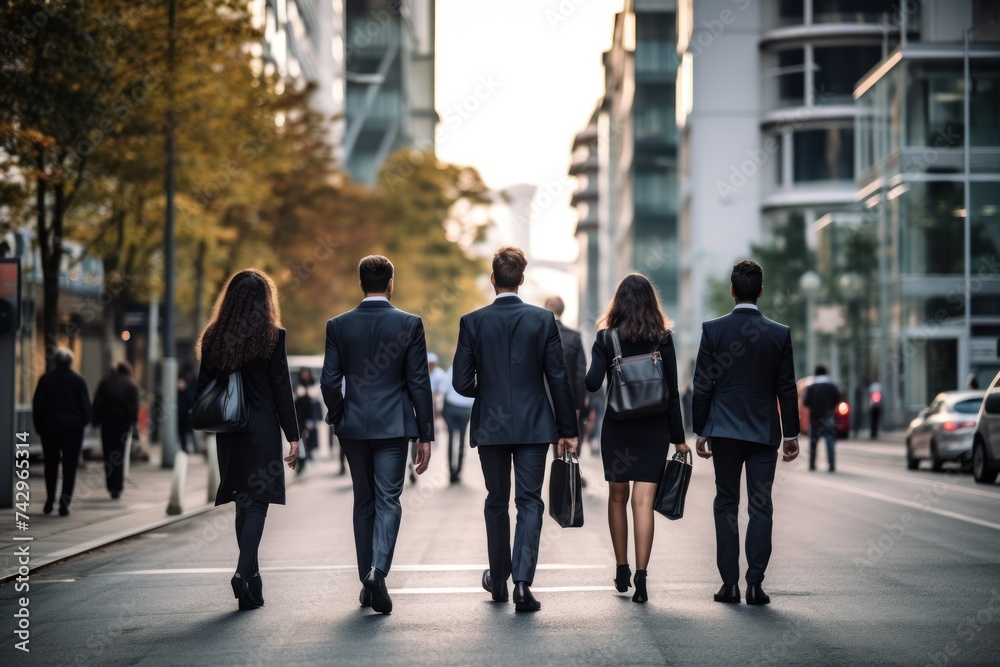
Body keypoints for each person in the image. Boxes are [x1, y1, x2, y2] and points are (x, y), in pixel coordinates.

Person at [452, 246, 578, 613]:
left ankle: (498, 579)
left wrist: (488, 390)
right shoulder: (543, 320)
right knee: (529, 501)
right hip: (534, 423)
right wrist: (567, 429)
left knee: (495, 500)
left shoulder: (471, 321)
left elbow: (461, 382)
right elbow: (558, 378)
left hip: (491, 425)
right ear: (521, 280)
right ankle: (523, 583)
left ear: (494, 279)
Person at [321, 255, 434, 615]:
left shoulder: (338, 325)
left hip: (353, 426)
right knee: (389, 499)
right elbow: (419, 382)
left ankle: (367, 579)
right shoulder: (410, 324)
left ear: (360, 284)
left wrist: (340, 414)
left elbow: (328, 381)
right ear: (391, 283)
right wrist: (425, 434)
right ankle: (377, 572)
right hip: (393, 426)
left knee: (363, 501)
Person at [693, 259, 800, 606]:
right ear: (761, 292)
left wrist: (701, 429)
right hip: (763, 432)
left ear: (732, 290)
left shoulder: (713, 330)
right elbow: (787, 388)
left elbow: (702, 385)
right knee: (761, 505)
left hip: (723, 430)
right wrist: (791, 434)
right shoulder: (779, 334)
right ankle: (755, 583)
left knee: (726, 503)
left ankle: (730, 585)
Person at [195, 268, 300, 611]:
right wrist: (293, 436)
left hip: (229, 431)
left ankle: (252, 585)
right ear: (264, 301)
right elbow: (282, 389)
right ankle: (243, 573)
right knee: (257, 503)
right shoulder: (272, 336)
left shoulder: (213, 336)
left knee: (243, 500)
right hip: (262, 429)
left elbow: (203, 390)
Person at [584, 274, 688, 604]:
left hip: (619, 426)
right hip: (654, 429)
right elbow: (671, 394)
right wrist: (679, 439)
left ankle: (622, 568)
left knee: (618, 497)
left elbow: (590, 384)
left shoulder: (606, 338)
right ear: (650, 303)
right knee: (643, 502)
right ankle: (642, 576)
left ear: (618, 303)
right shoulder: (663, 338)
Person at [32, 347, 92, 516]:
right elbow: (87, 409)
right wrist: (81, 424)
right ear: (70, 362)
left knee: (50, 465)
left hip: (50, 428)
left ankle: (50, 500)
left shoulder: (45, 380)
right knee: (69, 467)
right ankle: (65, 504)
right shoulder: (79, 381)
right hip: (73, 430)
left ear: (55, 361)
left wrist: (39, 427)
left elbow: (38, 406)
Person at [92, 361, 140, 500]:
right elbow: (134, 407)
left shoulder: (105, 382)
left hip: (107, 422)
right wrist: (134, 423)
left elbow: (97, 402)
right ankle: (117, 487)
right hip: (123, 423)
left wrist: (96, 420)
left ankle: (110, 484)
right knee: (119, 454)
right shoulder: (130, 384)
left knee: (108, 453)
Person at [803, 364, 841, 472]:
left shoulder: (811, 387)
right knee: (830, 441)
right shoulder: (832, 386)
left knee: (813, 442)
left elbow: (806, 403)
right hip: (828, 417)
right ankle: (831, 465)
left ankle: (812, 464)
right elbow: (837, 400)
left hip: (815, 417)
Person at [441, 365, 474, 484]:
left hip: (451, 407)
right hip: (465, 409)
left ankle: (451, 471)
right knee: (461, 440)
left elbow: (443, 390)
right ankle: (458, 470)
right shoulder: (473, 369)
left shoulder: (451, 369)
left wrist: (440, 411)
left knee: (450, 439)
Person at [294, 368, 321, 476]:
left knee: (309, 439)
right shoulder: (298, 386)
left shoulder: (313, 386)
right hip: (300, 417)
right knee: (301, 440)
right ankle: (302, 462)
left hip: (310, 416)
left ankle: (307, 457)